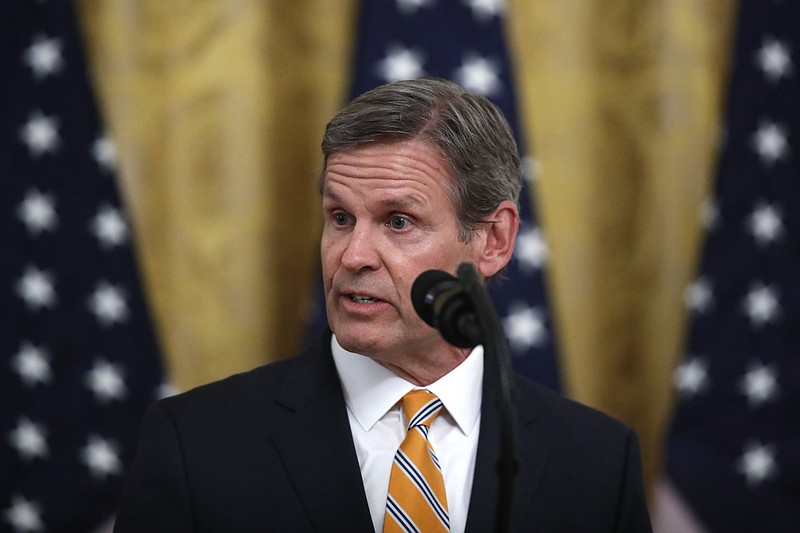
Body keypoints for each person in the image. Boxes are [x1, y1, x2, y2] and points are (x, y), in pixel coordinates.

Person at [114, 77, 652, 532]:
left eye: (399, 221)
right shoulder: (195, 446)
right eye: (340, 218)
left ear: (494, 240)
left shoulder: (599, 463)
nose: (353, 256)